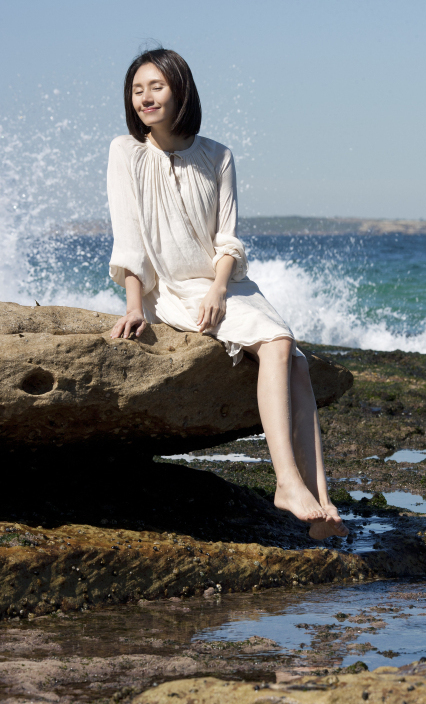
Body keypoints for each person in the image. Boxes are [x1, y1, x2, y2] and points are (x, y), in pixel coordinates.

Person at [107, 48, 348, 541]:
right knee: (279, 345)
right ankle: (286, 484)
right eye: (137, 90)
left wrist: (219, 287)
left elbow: (228, 240)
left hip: (225, 285)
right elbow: (129, 240)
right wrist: (135, 306)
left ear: (181, 90)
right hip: (174, 290)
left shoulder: (218, 155)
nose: (145, 98)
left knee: (295, 360)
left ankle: (322, 502)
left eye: (156, 87)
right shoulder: (125, 153)